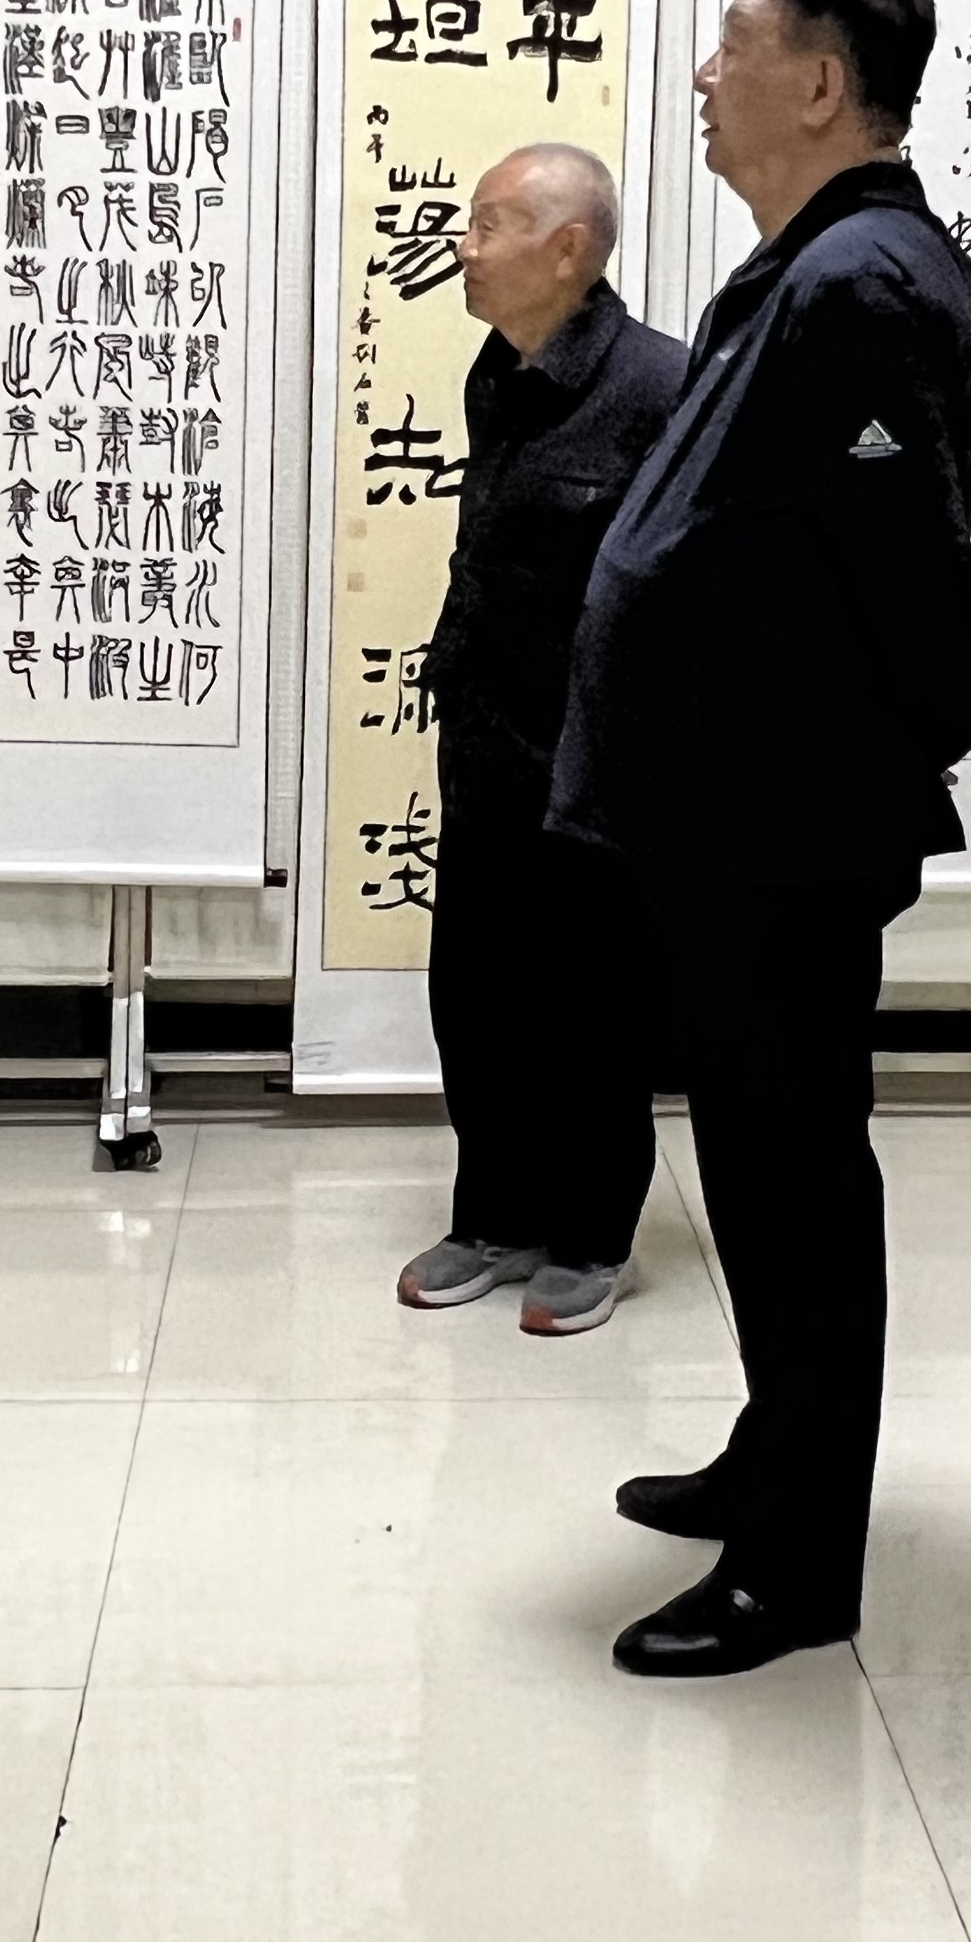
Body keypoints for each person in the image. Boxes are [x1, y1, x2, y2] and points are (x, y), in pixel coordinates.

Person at [551, 0, 971, 1680]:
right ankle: (777, 1447)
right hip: (739, 808)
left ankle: (802, 1555)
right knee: (756, 1159)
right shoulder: (815, 263)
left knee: (793, 1172)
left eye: (729, 46)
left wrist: (901, 754)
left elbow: (903, 562)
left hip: (783, 817)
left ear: (818, 83)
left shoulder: (865, 280)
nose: (700, 75)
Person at [394, 143, 687, 1335]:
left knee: (591, 1001)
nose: (463, 246)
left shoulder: (661, 386)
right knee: (476, 989)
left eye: (490, 224)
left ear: (567, 249)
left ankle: (592, 1233)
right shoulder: (497, 370)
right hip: (487, 736)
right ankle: (494, 1214)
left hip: (599, 759)